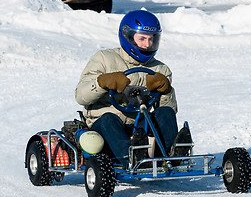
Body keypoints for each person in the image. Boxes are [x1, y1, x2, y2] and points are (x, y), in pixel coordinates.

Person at [75, 10, 190, 168]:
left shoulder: (161, 69)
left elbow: (168, 110)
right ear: (128, 36)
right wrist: (102, 82)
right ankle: (132, 159)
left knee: (165, 113)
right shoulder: (103, 59)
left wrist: (166, 90)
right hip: (104, 124)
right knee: (109, 119)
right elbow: (81, 96)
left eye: (152, 39)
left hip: (140, 124)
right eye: (142, 38)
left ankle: (173, 155)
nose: (147, 45)